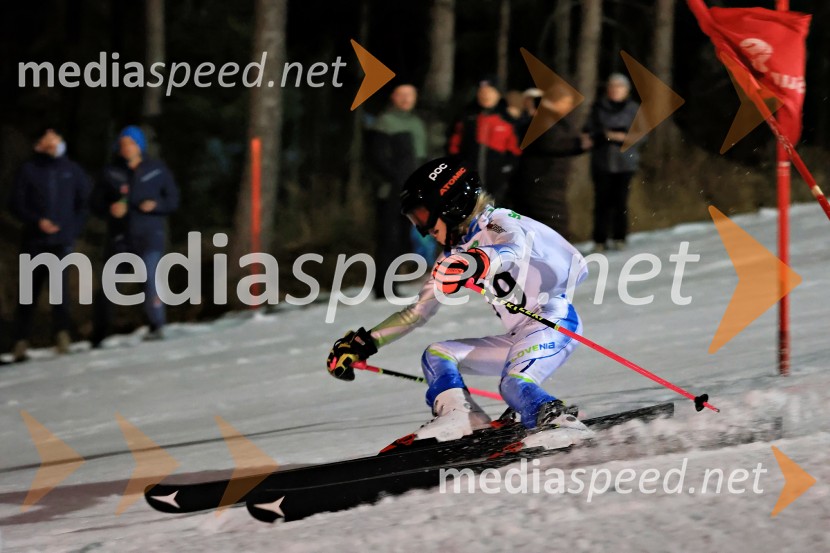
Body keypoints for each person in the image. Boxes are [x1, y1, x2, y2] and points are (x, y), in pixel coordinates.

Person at [326, 157, 588, 441]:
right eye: (416, 220)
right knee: (437, 354)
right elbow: (417, 312)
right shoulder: (452, 257)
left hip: (553, 320)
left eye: (423, 216)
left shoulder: (498, 222)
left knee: (513, 385)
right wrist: (367, 342)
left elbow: (513, 247)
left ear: (450, 204)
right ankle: (463, 418)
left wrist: (478, 262)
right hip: (519, 335)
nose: (423, 229)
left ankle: (555, 421)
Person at [7, 127, 90, 361]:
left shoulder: (72, 171)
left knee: (59, 292)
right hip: (34, 241)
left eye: (56, 138)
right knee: (28, 293)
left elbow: (83, 204)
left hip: (61, 242)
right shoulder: (29, 170)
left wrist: (71, 229)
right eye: (48, 139)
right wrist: (36, 221)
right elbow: (15, 203)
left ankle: (62, 336)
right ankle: (20, 342)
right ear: (39, 145)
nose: (53, 142)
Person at [91, 125, 179, 344]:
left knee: (151, 279)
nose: (127, 148)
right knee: (110, 285)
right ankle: (99, 334)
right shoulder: (111, 172)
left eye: (131, 144)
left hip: (150, 235)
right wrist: (109, 209)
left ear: (140, 146)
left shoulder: (156, 169)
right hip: (120, 238)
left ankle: (156, 325)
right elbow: (94, 202)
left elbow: (173, 200)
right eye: (123, 145)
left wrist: (156, 205)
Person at [366, 84, 435, 296]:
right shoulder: (385, 122)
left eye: (410, 95)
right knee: (390, 238)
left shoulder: (417, 123)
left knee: (409, 238)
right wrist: (399, 181)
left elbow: (422, 158)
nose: (406, 99)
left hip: (416, 192)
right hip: (391, 192)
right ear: (393, 97)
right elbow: (377, 158)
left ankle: (399, 281)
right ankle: (384, 287)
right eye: (401, 95)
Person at [513, 83, 592, 239]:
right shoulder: (545, 118)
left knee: (550, 224)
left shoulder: (549, 117)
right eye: (567, 102)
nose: (570, 106)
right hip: (542, 181)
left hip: (549, 181)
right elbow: (550, 142)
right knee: (551, 224)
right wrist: (578, 144)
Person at [582, 73, 642, 252]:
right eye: (612, 86)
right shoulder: (598, 108)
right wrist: (596, 136)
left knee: (620, 201)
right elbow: (588, 130)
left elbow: (642, 136)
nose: (615, 90)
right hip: (602, 161)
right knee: (601, 201)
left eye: (619, 87)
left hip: (625, 163)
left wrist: (619, 136)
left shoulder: (634, 109)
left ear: (626, 90)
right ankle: (599, 239)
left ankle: (619, 237)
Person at [447, 78, 522, 205]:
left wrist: (506, 172)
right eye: (482, 91)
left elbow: (515, 151)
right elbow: (453, 146)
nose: (485, 95)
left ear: (498, 94)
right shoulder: (466, 117)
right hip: (468, 181)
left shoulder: (508, 119)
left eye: (490, 91)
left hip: (498, 184)